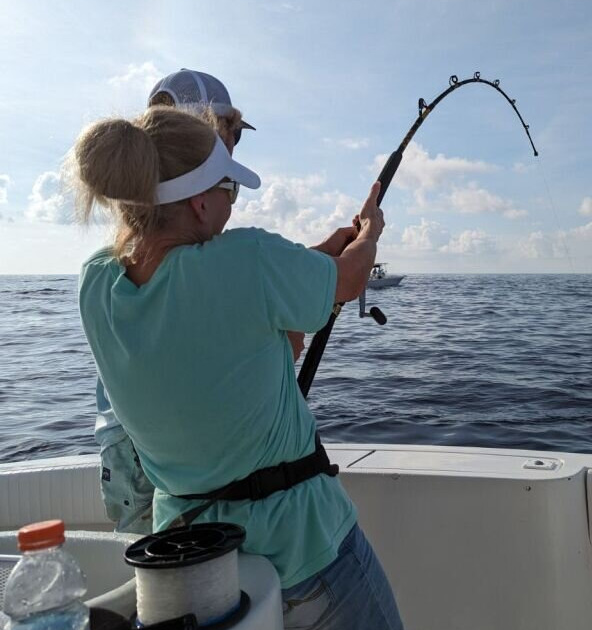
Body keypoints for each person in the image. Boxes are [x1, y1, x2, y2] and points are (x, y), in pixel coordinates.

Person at [75, 105, 403, 629]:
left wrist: (315, 256)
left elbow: (217, 318)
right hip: (304, 552)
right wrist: (370, 232)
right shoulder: (248, 260)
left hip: (191, 569)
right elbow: (348, 280)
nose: (234, 201)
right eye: (230, 188)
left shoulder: (97, 285)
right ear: (201, 203)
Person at [94, 69, 258, 534]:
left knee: (159, 591)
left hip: (126, 447)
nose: (231, 149)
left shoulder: (108, 265)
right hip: (172, 462)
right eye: (231, 133)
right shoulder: (197, 234)